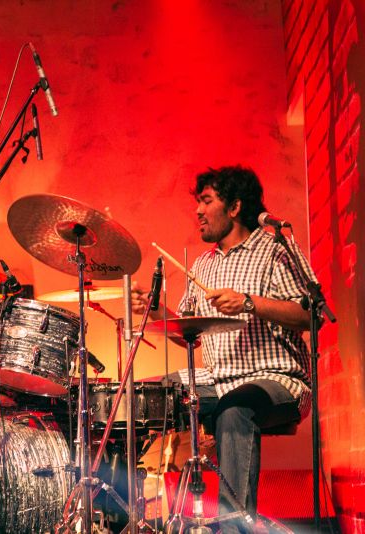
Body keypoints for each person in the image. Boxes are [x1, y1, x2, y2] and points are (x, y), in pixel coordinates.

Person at [132, 165, 315, 532]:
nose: (197, 210)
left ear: (234, 207)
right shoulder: (204, 264)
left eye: (206, 201)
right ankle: (129, 515)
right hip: (216, 380)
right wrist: (155, 310)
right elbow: (190, 332)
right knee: (142, 398)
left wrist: (249, 302)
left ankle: (235, 527)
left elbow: (309, 315)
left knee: (234, 410)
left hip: (276, 380)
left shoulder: (274, 250)